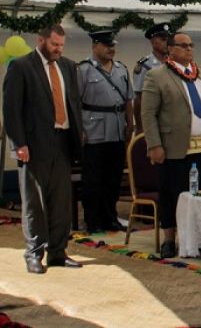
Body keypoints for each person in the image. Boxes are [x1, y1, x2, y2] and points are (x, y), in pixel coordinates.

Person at [3, 25, 84, 273]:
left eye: (61, 45)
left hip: (63, 140)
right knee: (35, 201)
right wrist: (19, 144)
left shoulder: (68, 67)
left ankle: (58, 252)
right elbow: (11, 108)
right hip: (34, 143)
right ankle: (34, 254)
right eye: (54, 45)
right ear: (41, 40)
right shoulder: (21, 67)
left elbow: (73, 103)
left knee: (61, 200)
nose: (58, 50)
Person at [141, 32, 201, 258]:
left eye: (191, 45)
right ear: (170, 49)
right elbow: (148, 114)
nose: (189, 49)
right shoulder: (156, 75)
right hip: (175, 148)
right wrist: (154, 145)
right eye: (183, 45)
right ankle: (169, 238)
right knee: (172, 194)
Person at [77, 29, 134, 233]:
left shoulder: (121, 69)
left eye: (113, 46)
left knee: (112, 178)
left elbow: (128, 99)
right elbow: (75, 103)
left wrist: (130, 122)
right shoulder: (83, 70)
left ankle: (110, 217)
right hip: (94, 131)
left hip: (117, 129)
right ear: (95, 46)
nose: (111, 49)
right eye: (107, 45)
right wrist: (79, 130)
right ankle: (93, 220)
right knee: (93, 179)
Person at [133, 23, 169, 132]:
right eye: (163, 39)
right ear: (152, 41)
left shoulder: (174, 63)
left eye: (168, 39)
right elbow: (138, 99)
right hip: (153, 121)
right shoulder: (145, 65)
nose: (166, 43)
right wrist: (140, 128)